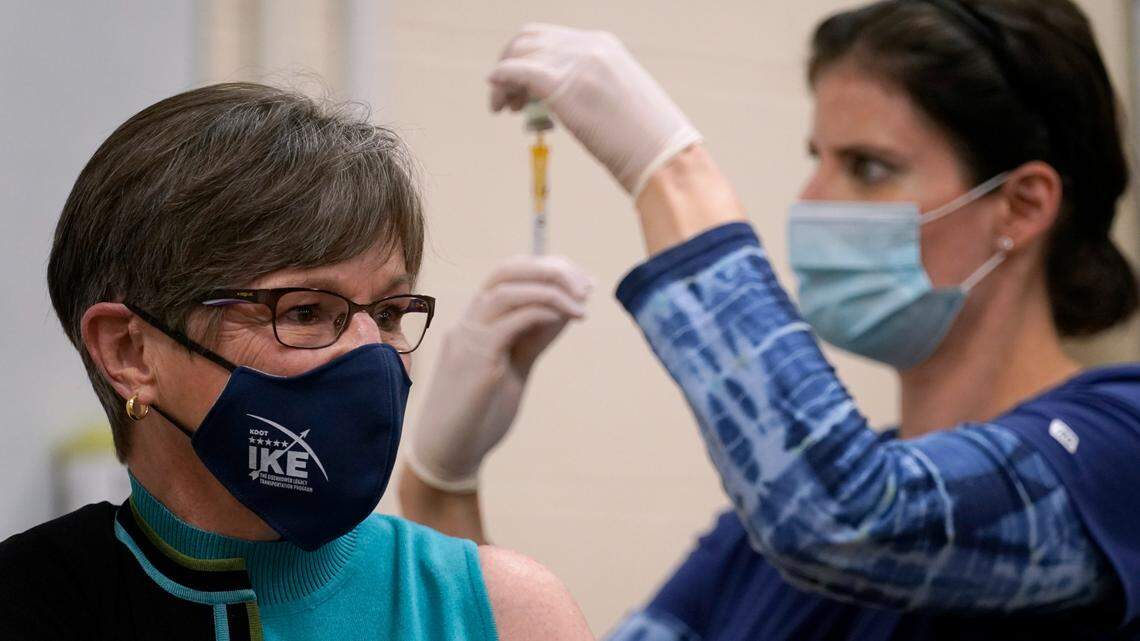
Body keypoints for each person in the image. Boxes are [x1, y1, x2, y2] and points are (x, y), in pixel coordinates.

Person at [402, 1, 1140, 638]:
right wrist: (440, 488)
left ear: (1021, 206)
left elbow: (853, 516)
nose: (814, 197)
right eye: (816, 157)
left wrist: (669, 170)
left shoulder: (1117, 445)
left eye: (868, 166)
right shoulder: (758, 543)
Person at [0, 82, 595, 641]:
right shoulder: (31, 601)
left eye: (389, 312)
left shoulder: (502, 611)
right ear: (131, 352)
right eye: (307, 311)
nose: (371, 352)